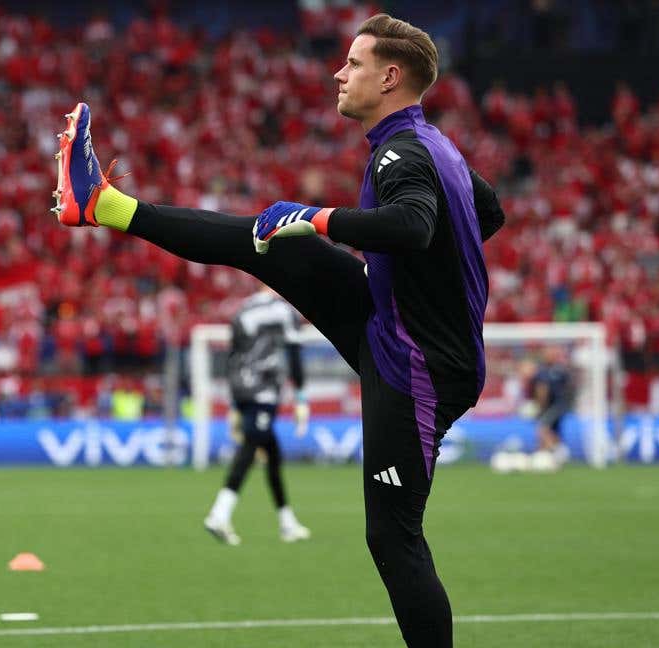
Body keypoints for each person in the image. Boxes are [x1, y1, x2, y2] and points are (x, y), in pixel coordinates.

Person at [50, 14, 505, 647]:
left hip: (419, 367)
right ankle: (102, 204)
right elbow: (490, 212)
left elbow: (412, 227)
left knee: (392, 535)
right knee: (265, 241)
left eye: (353, 63)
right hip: (395, 329)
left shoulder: (403, 153)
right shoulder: (434, 146)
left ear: (390, 76)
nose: (338, 73)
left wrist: (320, 218)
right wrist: (422, 280)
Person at [203, 287, 312, 546]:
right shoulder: (284, 311)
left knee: (271, 453)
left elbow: (233, 356)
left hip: (240, 388)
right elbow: (294, 354)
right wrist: (300, 398)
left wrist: (233, 404)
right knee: (252, 445)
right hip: (262, 390)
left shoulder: (243, 309)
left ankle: (287, 522)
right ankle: (220, 513)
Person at [530, 348, 574, 466]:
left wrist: (541, 408)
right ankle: (544, 456)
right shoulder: (562, 371)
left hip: (554, 406)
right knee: (553, 431)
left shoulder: (542, 372)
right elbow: (570, 387)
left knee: (542, 428)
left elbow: (542, 391)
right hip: (562, 405)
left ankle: (560, 454)